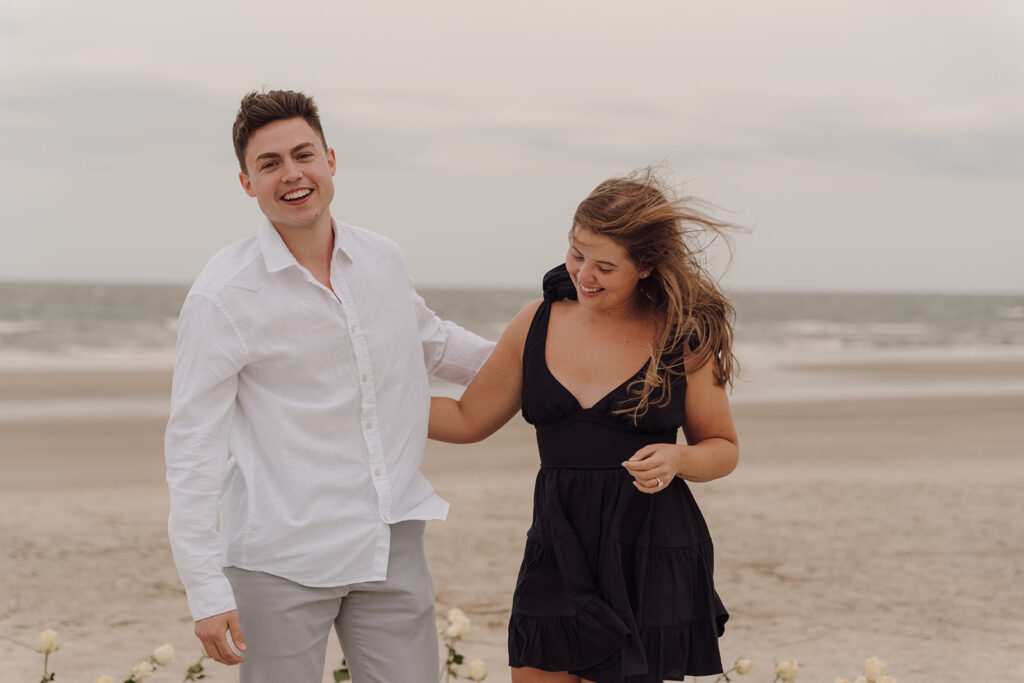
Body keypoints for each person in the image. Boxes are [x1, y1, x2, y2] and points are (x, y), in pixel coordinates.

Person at [164, 89, 494, 683]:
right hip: (281, 554)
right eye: (269, 164)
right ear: (247, 183)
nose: (291, 174)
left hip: (390, 541)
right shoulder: (223, 297)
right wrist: (204, 590)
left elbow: (434, 344)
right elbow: (193, 449)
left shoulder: (382, 259)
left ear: (330, 160)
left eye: (303, 154)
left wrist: (550, 364)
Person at [429, 169, 739, 683]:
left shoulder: (682, 336)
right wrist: (372, 404)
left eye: (605, 266)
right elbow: (467, 419)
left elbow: (723, 447)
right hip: (556, 541)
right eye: (576, 254)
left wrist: (679, 459)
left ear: (646, 267)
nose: (584, 275)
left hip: (646, 546)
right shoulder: (536, 321)